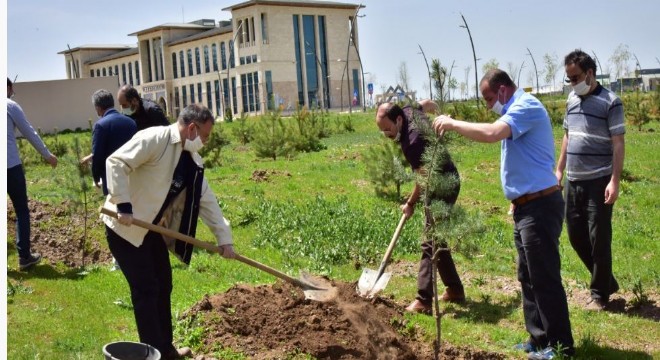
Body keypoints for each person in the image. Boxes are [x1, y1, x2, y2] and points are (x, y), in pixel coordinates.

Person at [433, 69, 574, 360]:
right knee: (527, 275)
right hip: (525, 205)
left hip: (541, 205)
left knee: (544, 275)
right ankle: (538, 338)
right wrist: (516, 199)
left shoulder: (527, 106)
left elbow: (492, 133)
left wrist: (452, 123)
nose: (488, 106)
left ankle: (561, 346)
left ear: (502, 90)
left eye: (488, 98)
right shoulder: (513, 111)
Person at [101, 104, 235, 359]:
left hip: (150, 228)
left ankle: (165, 348)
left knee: (164, 283)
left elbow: (206, 201)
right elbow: (116, 161)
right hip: (124, 227)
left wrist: (224, 239)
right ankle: (154, 353)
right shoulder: (155, 138)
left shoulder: (192, 161)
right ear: (192, 128)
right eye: (205, 136)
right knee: (147, 289)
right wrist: (123, 204)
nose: (205, 142)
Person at [375, 100, 466, 315]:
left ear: (398, 120)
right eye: (382, 131)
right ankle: (455, 290)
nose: (387, 135)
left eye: (387, 129)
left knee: (430, 241)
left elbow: (423, 178)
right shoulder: (408, 111)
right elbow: (427, 104)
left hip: (443, 184)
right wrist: (439, 112)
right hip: (440, 177)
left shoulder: (413, 141)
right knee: (437, 239)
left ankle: (424, 301)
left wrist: (410, 203)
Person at [556, 49, 625, 311]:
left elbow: (618, 143)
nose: (573, 84)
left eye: (575, 78)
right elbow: (567, 135)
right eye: (569, 79)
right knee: (575, 236)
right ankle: (607, 281)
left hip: (599, 179)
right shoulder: (571, 100)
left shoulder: (611, 101)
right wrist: (559, 170)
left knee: (599, 238)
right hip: (574, 180)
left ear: (590, 73)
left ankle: (599, 295)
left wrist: (614, 181)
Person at [7, 78, 58, 270]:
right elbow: (28, 131)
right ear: (8, 88)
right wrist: (47, 155)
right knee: (21, 210)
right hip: (10, 166)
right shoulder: (10, 105)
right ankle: (25, 257)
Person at [90, 89, 137, 195]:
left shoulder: (100, 125)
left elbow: (97, 155)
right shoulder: (131, 122)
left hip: (111, 177)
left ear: (98, 108)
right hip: (131, 174)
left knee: (114, 207)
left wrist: (96, 175)